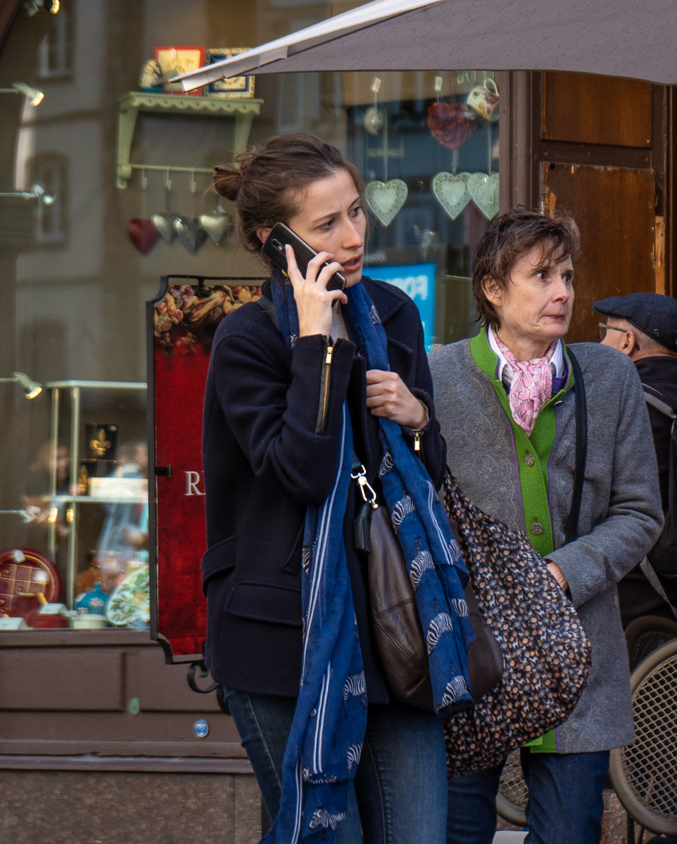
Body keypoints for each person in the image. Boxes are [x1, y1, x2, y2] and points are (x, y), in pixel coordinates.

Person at [202, 133, 462, 844]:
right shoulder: (247, 340)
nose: (353, 237)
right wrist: (316, 348)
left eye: (356, 212)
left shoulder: (391, 313)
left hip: (397, 625)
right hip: (279, 640)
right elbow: (299, 472)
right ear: (273, 238)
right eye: (327, 224)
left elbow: (422, 475)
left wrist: (418, 419)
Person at [429, 207, 663, 844]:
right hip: (469, 655)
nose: (562, 292)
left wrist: (560, 574)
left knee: (569, 834)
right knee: (457, 833)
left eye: (566, 274)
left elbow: (642, 511)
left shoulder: (610, 376)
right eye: (540, 276)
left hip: (577, 656)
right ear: (493, 290)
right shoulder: (438, 377)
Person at [593, 292, 677, 630]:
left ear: (627, 342)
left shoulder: (617, 408)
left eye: (605, 331)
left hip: (627, 619)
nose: (600, 342)